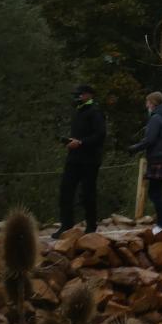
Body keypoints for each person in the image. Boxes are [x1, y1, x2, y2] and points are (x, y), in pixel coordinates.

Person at [55, 83, 107, 239]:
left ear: (89, 95)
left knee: (88, 193)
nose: (77, 97)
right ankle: (66, 225)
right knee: (65, 190)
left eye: (80, 94)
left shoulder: (95, 112)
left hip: (90, 160)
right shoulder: (77, 112)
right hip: (74, 158)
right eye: (77, 94)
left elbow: (100, 135)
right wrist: (70, 142)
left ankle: (91, 226)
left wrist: (81, 142)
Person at [128, 91, 162, 228]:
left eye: (147, 102)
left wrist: (134, 148)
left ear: (153, 103)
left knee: (154, 192)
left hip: (157, 158)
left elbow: (150, 139)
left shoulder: (156, 119)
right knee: (157, 191)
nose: (146, 105)